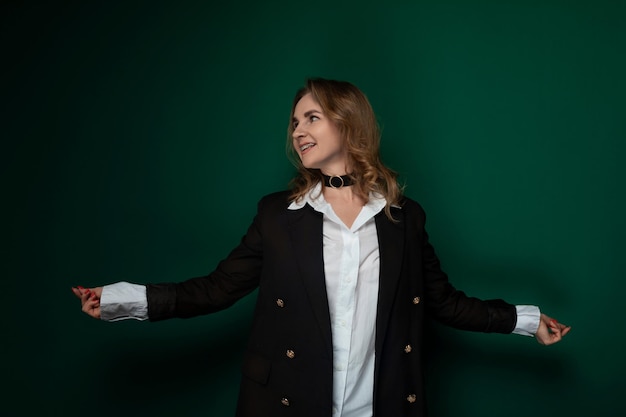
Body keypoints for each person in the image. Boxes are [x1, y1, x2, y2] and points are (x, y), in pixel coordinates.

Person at [72, 78, 571, 417]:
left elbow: (443, 301)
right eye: (294, 123)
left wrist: (526, 321)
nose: (298, 131)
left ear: (348, 123)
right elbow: (216, 289)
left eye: (311, 117)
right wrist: (121, 300)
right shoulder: (277, 215)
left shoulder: (404, 217)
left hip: (380, 404)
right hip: (287, 402)